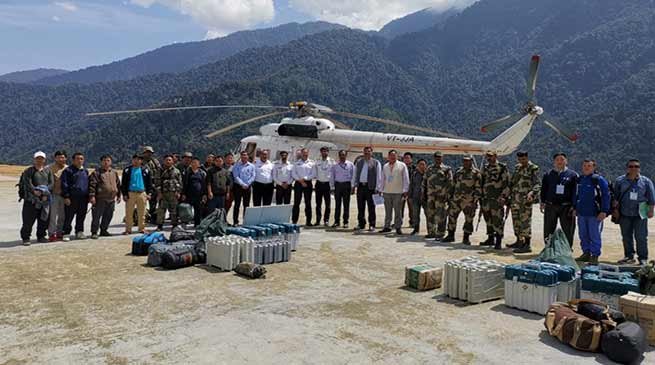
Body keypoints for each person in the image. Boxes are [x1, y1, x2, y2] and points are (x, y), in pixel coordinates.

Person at [613, 159, 655, 265]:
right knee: (626, 236)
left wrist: (651, 211)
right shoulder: (620, 181)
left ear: (639, 168)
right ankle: (629, 256)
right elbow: (615, 198)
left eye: (636, 166)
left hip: (640, 213)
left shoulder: (646, 181)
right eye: (631, 166)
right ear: (627, 168)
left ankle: (643, 258)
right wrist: (615, 211)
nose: (634, 168)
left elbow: (651, 197)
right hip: (624, 213)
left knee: (641, 236)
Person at [574, 159, 611, 264]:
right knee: (583, 234)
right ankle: (586, 253)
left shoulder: (599, 180)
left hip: (595, 214)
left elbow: (606, 195)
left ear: (594, 167)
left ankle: (594, 256)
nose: (586, 167)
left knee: (594, 235)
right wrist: (575, 208)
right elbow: (576, 195)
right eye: (584, 165)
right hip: (581, 213)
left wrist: (604, 211)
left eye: (589, 166)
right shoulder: (580, 180)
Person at [540, 152, 578, 247]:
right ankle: (548, 247)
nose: (559, 162)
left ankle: (568, 248)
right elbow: (544, 189)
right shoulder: (548, 174)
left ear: (566, 161)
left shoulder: (573, 175)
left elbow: (575, 191)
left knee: (568, 229)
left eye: (562, 159)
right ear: (554, 162)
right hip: (550, 205)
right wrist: (542, 202)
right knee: (548, 229)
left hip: (566, 207)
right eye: (557, 160)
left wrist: (574, 206)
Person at [444, 155, 482, 245]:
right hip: (456, 200)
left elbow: (478, 188)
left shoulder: (476, 173)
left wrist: (475, 201)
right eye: (464, 161)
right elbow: (453, 185)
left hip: (469, 201)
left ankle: (466, 237)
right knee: (452, 217)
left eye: (468, 161)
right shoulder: (458, 171)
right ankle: (450, 235)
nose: (465, 162)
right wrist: (450, 197)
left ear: (471, 161)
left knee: (469, 220)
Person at [509, 151, 541, 253]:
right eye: (519, 159)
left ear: (527, 158)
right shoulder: (517, 167)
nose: (521, 161)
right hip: (515, 199)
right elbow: (512, 182)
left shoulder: (533, 168)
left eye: (523, 159)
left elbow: (537, 184)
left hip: (526, 200)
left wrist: (532, 193)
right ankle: (519, 241)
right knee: (516, 221)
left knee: (525, 222)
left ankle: (527, 245)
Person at [19, 151, 53, 245]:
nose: (40, 160)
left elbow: (51, 184)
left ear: (44, 160)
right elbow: (28, 183)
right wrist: (35, 191)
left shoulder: (48, 171)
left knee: (44, 219)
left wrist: (44, 193)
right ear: (34, 159)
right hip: (31, 200)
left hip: (44, 199)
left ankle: (41, 236)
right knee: (28, 220)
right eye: (38, 158)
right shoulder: (29, 171)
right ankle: (26, 238)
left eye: (41, 158)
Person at [479, 151, 510, 249]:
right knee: (488, 219)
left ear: (495, 156)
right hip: (486, 198)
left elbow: (506, 183)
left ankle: (499, 240)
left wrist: (504, 197)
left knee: (498, 220)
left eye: (491, 156)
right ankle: (490, 238)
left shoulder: (502, 167)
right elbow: (481, 181)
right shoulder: (485, 167)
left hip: (497, 199)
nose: (489, 158)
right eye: (488, 156)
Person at [88, 154, 121, 239]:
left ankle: (104, 230)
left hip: (111, 199)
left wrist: (119, 195)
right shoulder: (96, 173)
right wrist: (92, 196)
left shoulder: (114, 172)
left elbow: (118, 184)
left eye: (108, 160)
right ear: (101, 162)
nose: (106, 162)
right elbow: (92, 185)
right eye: (104, 161)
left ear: (111, 162)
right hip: (100, 199)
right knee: (96, 216)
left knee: (108, 216)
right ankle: (94, 232)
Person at [423, 151, 453, 240]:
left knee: (441, 215)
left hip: (441, 197)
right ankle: (431, 232)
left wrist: (448, 196)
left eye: (439, 157)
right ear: (434, 158)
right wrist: (423, 194)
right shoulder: (429, 168)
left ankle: (440, 233)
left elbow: (450, 183)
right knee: (430, 214)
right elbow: (424, 181)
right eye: (436, 157)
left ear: (442, 158)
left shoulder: (446, 169)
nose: (438, 159)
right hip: (431, 196)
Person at [121, 154, 153, 235]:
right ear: (132, 160)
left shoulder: (145, 170)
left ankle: (141, 228)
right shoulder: (127, 170)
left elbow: (149, 183)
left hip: (142, 193)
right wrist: (124, 194)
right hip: (130, 193)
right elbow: (123, 183)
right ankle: (128, 229)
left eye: (138, 159)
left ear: (141, 161)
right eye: (134, 159)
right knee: (129, 212)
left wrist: (149, 193)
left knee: (142, 212)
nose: (136, 161)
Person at [61, 152, 90, 241]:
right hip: (71, 198)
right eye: (77, 159)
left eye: (81, 159)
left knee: (81, 216)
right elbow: (64, 184)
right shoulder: (68, 171)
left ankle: (79, 232)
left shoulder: (85, 171)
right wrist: (66, 196)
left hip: (83, 198)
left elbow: (87, 184)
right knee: (69, 216)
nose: (79, 160)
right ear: (73, 160)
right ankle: (66, 233)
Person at [352, 146, 382, 231]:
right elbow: (355, 174)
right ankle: (361, 224)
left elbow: (379, 176)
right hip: (361, 187)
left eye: (369, 151)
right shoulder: (359, 162)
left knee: (371, 207)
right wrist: (353, 185)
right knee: (360, 207)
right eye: (365, 151)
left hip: (371, 188)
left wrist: (378, 188)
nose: (367, 153)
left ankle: (372, 224)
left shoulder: (376, 162)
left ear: (372, 152)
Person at [380, 150, 410, 235]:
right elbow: (383, 179)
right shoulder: (385, 166)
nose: (392, 157)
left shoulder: (402, 165)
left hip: (398, 192)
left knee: (398, 211)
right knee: (387, 211)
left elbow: (405, 179)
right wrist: (381, 189)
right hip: (387, 191)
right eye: (391, 155)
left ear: (397, 156)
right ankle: (387, 226)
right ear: (388, 156)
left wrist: (405, 190)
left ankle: (398, 227)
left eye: (394, 155)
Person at [155, 155, 182, 231]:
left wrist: (178, 192)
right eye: (166, 160)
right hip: (163, 194)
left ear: (173, 161)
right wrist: (159, 192)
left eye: (170, 160)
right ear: (164, 161)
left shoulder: (177, 171)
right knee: (161, 210)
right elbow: (157, 183)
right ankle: (160, 225)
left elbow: (180, 182)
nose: (168, 161)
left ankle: (174, 225)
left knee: (174, 211)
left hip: (173, 194)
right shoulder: (160, 170)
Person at [46, 150, 67, 242]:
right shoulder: (49, 168)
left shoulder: (68, 168)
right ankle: (51, 234)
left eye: (62, 157)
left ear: (66, 158)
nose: (61, 159)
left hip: (64, 195)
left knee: (62, 216)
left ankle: (59, 233)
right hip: (53, 195)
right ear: (55, 158)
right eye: (58, 157)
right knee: (53, 216)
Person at [330, 150, 354, 228]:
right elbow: (332, 176)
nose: (342, 156)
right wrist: (332, 187)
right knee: (337, 205)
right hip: (338, 185)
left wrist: (352, 186)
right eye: (341, 155)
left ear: (346, 155)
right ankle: (337, 221)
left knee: (346, 205)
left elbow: (353, 175)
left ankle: (345, 222)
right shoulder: (335, 165)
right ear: (339, 155)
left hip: (347, 185)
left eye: (343, 155)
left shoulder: (350, 164)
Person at [291, 148, 315, 226]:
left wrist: (305, 179)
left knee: (308, 203)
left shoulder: (312, 163)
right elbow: (293, 173)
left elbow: (313, 174)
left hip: (308, 184)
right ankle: (294, 221)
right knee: (296, 203)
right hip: (298, 184)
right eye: (303, 153)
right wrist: (300, 181)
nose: (305, 154)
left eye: (306, 153)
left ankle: (308, 221)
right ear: (301, 154)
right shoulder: (296, 163)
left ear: (308, 153)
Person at [232, 151, 255, 226]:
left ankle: (246, 221)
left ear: (248, 157)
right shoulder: (236, 165)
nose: (244, 157)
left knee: (246, 205)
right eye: (243, 155)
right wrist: (242, 184)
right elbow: (236, 176)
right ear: (241, 157)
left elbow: (253, 176)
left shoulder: (251, 166)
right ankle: (235, 221)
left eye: (245, 155)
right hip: (238, 187)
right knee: (237, 205)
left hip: (248, 187)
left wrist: (247, 184)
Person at [182, 157, 207, 226]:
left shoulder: (202, 173)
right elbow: (185, 183)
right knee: (187, 209)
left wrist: (204, 194)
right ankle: (186, 222)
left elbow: (204, 184)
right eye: (193, 162)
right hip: (189, 194)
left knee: (198, 210)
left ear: (199, 164)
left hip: (199, 194)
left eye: (196, 163)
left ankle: (197, 224)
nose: (194, 164)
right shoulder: (187, 172)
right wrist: (183, 193)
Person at [313, 146, 334, 226]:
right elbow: (314, 172)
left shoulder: (332, 161)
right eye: (323, 151)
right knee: (318, 204)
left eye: (326, 151)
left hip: (327, 185)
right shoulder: (317, 161)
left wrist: (333, 185)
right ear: (320, 152)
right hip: (318, 184)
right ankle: (318, 220)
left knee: (327, 204)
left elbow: (333, 174)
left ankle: (326, 220)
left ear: (328, 152)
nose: (324, 153)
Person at [142, 146, 161, 224]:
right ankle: (142, 219)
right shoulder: (141, 161)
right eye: (147, 152)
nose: (149, 154)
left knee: (153, 202)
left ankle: (153, 218)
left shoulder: (155, 161)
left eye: (150, 152)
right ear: (144, 153)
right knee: (142, 203)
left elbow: (159, 171)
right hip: (143, 185)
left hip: (154, 184)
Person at [408, 159, 427, 235]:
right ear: (417, 165)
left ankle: (431, 230)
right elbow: (411, 185)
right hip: (416, 197)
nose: (422, 166)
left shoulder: (428, 174)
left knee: (428, 214)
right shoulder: (415, 174)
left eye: (423, 164)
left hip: (426, 198)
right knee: (415, 214)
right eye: (420, 164)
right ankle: (416, 229)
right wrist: (410, 196)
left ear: (426, 165)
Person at [402, 152, 415, 228]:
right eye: (405, 158)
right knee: (400, 208)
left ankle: (412, 222)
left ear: (411, 159)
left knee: (412, 208)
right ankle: (398, 222)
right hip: (401, 191)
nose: (406, 159)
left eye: (408, 158)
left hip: (411, 191)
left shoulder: (414, 168)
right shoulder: (400, 167)